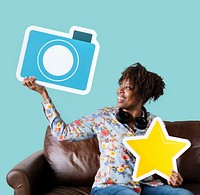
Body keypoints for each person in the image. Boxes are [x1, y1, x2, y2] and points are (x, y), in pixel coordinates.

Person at [23, 63, 193, 195]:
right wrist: (44, 95)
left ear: (142, 94)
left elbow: (160, 159)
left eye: (128, 87)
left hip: (146, 186)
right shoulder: (102, 117)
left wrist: (171, 175)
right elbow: (62, 133)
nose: (120, 90)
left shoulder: (154, 123)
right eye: (121, 85)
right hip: (110, 187)